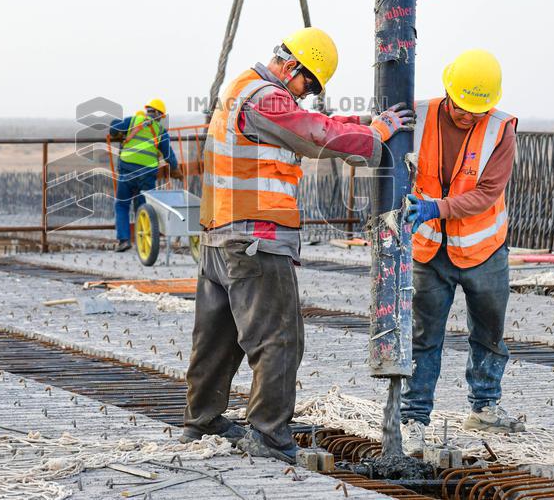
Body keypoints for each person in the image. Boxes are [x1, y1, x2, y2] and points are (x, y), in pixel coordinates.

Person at [183, 26, 414, 462]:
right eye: (308, 83)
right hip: (257, 239)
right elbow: (311, 133)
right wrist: (375, 138)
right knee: (279, 338)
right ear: (290, 66)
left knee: (217, 338)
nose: (308, 94)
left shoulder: (244, 90)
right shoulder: (266, 97)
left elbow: (312, 123)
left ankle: (203, 421)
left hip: (220, 238)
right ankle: (269, 436)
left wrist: (365, 125)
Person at [400, 49, 522, 453]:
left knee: (489, 331)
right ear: (448, 90)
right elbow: (382, 149)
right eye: (463, 108)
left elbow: (488, 193)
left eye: (478, 110)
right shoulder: (417, 115)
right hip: (429, 250)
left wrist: (438, 208)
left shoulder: (500, 129)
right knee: (423, 335)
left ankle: (484, 406)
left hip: (482, 248)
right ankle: (414, 418)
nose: (469, 116)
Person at [109, 99, 181, 252]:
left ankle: (124, 240)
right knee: (143, 207)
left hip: (127, 170)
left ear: (148, 111)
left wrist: (116, 124)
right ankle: (144, 244)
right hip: (147, 174)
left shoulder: (133, 120)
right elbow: (169, 156)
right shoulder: (161, 131)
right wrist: (175, 170)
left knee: (122, 205)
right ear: (160, 116)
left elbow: (113, 129)